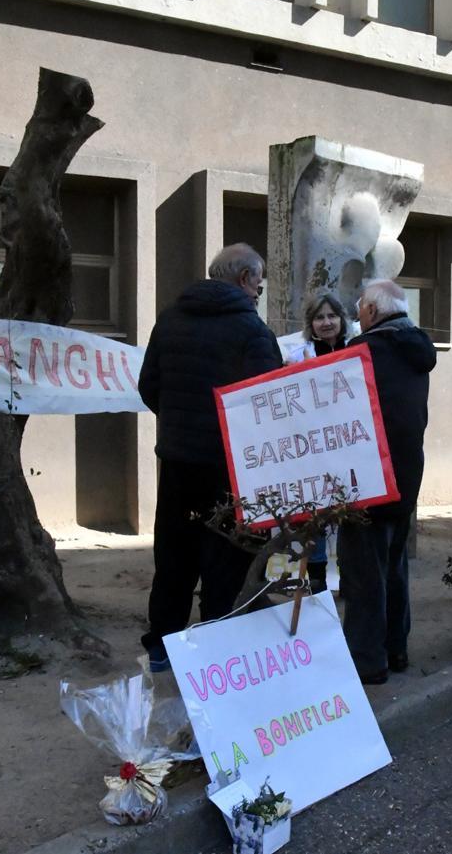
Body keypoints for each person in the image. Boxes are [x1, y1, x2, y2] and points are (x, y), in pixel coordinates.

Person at [138, 243, 282, 671]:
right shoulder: (253, 333)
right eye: (258, 281)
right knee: (224, 557)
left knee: (174, 554)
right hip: (230, 469)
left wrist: (181, 421)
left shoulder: (170, 320)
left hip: (179, 461)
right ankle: (216, 648)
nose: (259, 290)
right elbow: (269, 402)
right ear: (243, 279)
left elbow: (149, 385)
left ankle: (163, 644)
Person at [337, 279, 436, 686]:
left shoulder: (362, 353)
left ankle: (366, 661)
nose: (357, 315)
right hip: (406, 476)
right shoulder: (416, 349)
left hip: (366, 479)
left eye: (360, 308)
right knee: (394, 566)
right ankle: (396, 649)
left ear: (373, 312)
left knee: (363, 574)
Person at [285, 291, 350, 591]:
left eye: (331, 316)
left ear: (341, 319)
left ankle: (349, 578)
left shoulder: (355, 350)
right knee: (315, 516)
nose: (326, 322)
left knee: (351, 515)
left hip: (350, 446)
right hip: (312, 449)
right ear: (310, 324)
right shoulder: (298, 357)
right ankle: (319, 580)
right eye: (319, 317)